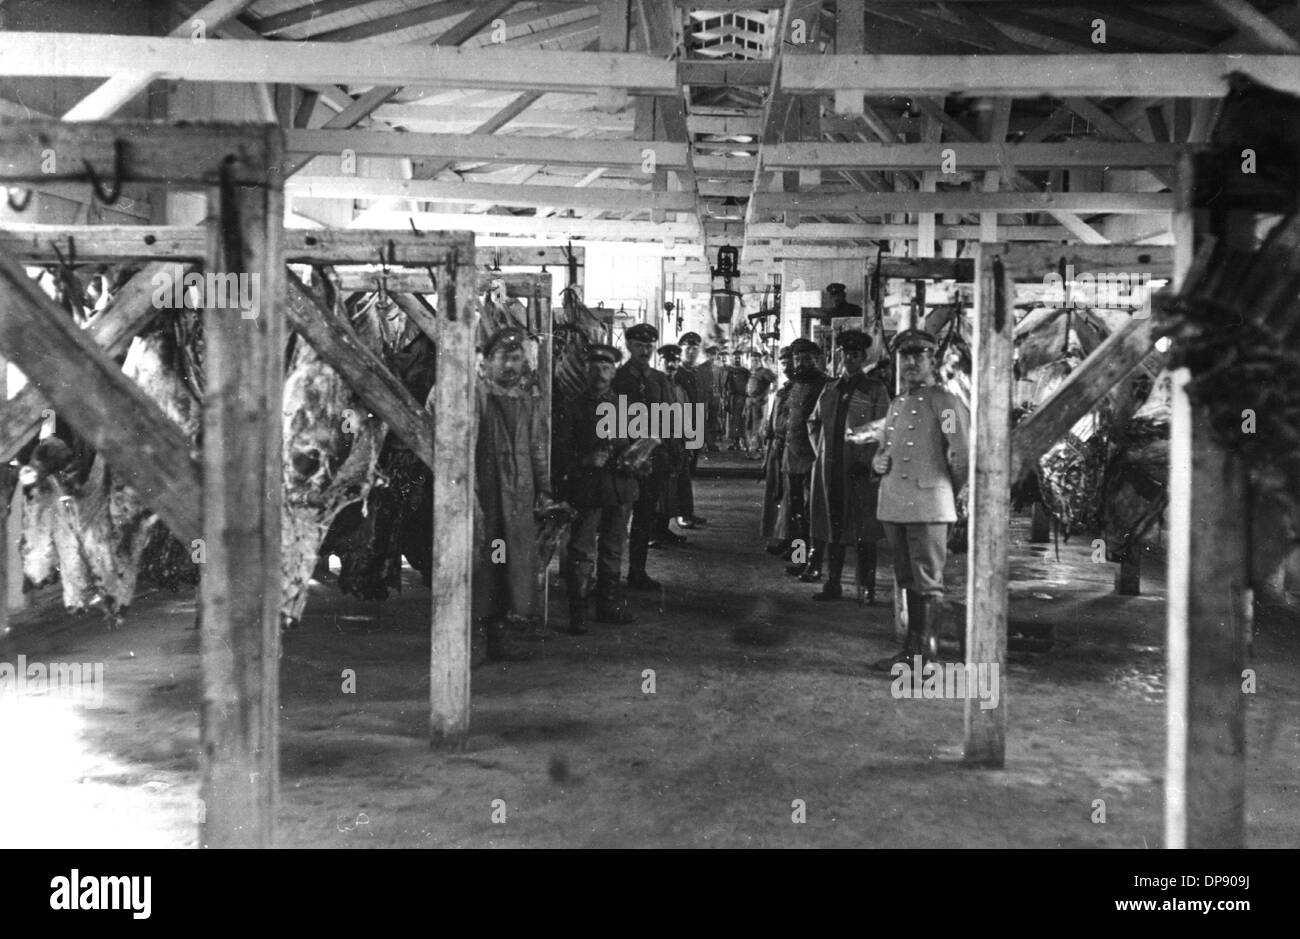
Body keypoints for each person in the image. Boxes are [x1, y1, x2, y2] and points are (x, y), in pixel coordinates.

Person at [870, 329, 970, 669]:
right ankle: (910, 652)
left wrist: (947, 494)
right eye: (905, 356)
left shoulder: (946, 401)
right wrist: (877, 460)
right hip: (895, 502)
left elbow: (961, 453)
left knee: (928, 580)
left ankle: (926, 657)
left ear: (932, 360)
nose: (910, 362)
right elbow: (885, 446)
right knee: (907, 578)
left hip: (928, 504)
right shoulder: (898, 402)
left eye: (918, 356)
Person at [473, 326, 550, 662]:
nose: (510, 365)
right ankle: (481, 638)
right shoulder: (474, 395)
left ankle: (500, 634)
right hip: (485, 498)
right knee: (487, 564)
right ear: (487, 361)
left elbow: (536, 449)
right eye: (504, 358)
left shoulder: (527, 400)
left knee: (511, 565)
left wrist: (545, 489)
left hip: (518, 499)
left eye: (517, 359)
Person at [552, 343, 638, 634]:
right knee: (582, 549)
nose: (600, 373)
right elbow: (559, 453)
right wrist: (585, 459)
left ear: (614, 373)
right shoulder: (572, 407)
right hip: (587, 489)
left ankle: (607, 606)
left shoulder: (626, 407)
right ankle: (578, 614)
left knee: (614, 548)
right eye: (594, 368)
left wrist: (637, 460)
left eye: (606, 368)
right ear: (585, 371)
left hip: (620, 488)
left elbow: (636, 444)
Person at [806, 329, 891, 604]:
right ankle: (833, 583)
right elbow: (813, 422)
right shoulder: (831, 388)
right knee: (832, 526)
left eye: (856, 355)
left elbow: (884, 429)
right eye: (846, 354)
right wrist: (821, 451)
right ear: (840, 355)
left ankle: (867, 588)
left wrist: (866, 460)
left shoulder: (875, 390)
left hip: (859, 471)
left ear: (863, 357)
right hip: (830, 469)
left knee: (864, 529)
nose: (850, 359)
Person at [613, 322, 675, 590]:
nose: (645, 350)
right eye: (639, 345)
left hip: (652, 459)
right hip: (622, 459)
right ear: (628, 345)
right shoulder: (616, 378)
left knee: (644, 517)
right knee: (616, 519)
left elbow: (672, 417)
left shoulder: (660, 380)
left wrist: (674, 453)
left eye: (649, 345)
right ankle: (609, 576)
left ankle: (637, 572)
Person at [783, 338, 829, 580]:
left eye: (806, 357)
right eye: (797, 358)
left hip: (812, 457)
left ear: (815, 359)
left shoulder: (824, 385)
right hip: (792, 456)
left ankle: (815, 563)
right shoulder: (795, 383)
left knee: (813, 514)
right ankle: (799, 559)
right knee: (796, 511)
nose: (800, 362)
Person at [652, 343, 691, 547]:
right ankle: (652, 533)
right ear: (659, 362)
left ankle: (663, 530)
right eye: (667, 360)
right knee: (656, 492)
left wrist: (686, 443)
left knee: (670, 490)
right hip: (658, 444)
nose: (671, 364)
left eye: (675, 360)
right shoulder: (652, 385)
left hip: (675, 444)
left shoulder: (678, 389)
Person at [761, 346, 795, 555]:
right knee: (780, 498)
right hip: (777, 449)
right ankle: (785, 539)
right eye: (783, 362)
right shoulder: (784, 390)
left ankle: (798, 554)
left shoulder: (804, 389)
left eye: (791, 361)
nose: (787, 365)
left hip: (794, 452)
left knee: (796, 503)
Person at [673, 332, 708, 528]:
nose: (692, 352)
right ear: (681, 350)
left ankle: (688, 511)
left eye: (695, 348)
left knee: (689, 472)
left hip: (695, 427)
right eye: (688, 348)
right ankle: (681, 514)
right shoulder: (677, 374)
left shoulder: (694, 373)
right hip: (682, 429)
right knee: (681, 473)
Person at [743, 351, 779, 458]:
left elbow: (775, 381)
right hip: (750, 403)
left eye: (756, 360)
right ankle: (751, 449)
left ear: (760, 361)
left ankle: (757, 450)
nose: (754, 362)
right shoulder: (751, 372)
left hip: (760, 404)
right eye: (752, 360)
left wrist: (769, 393)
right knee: (748, 426)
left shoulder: (765, 372)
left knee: (757, 428)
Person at [724, 349, 751, 451]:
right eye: (735, 357)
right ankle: (734, 442)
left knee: (742, 420)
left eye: (739, 357)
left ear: (742, 358)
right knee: (733, 420)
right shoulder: (730, 372)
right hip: (733, 399)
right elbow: (726, 385)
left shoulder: (745, 372)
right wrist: (727, 398)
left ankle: (741, 442)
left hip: (742, 398)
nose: (737, 359)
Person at [706, 344, 727, 452]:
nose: (712, 357)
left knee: (713, 420)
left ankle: (711, 443)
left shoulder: (719, 369)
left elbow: (721, 384)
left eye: (714, 354)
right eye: (711, 354)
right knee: (703, 419)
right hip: (704, 398)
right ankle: (703, 443)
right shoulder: (701, 368)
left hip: (715, 397)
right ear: (707, 355)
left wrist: (721, 397)